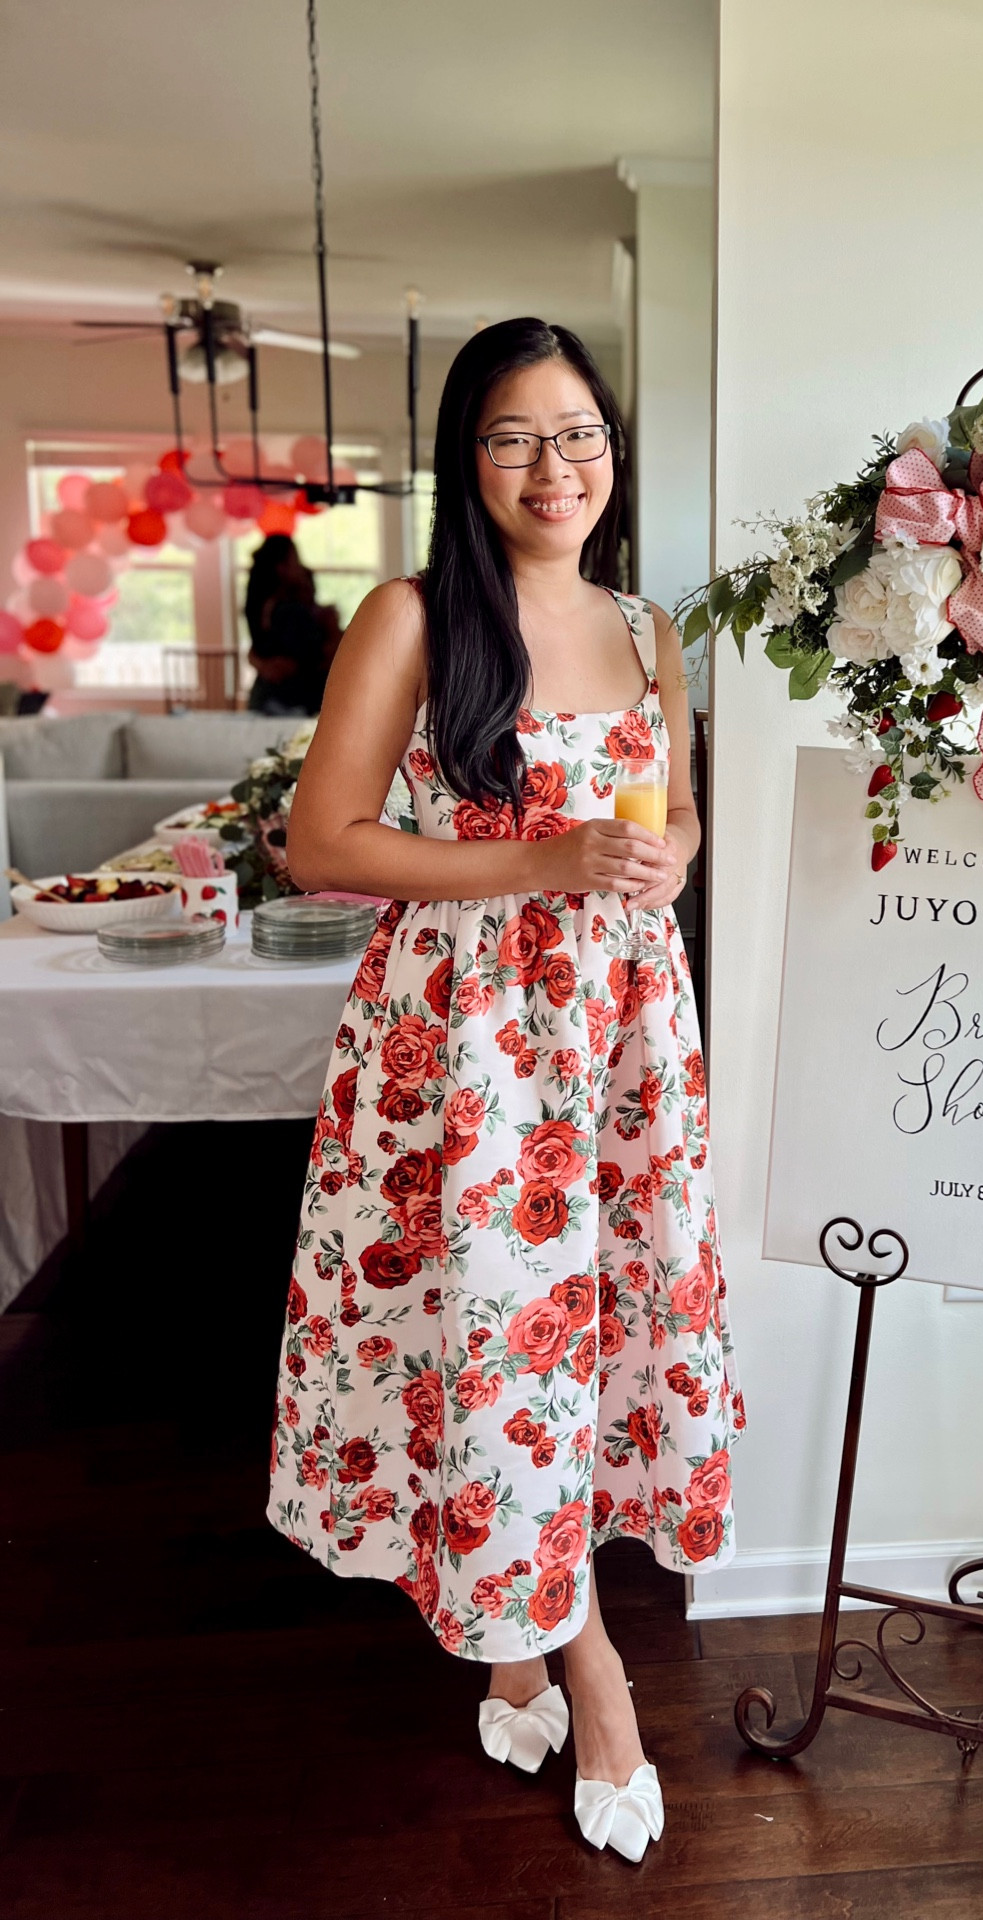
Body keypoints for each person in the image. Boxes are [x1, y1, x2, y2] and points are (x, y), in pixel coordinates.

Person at [265, 318, 742, 1864]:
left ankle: (520, 1629)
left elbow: (668, 825)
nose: (559, 467)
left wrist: (668, 855)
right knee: (501, 1348)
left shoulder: (652, 628)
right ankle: (592, 1672)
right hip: (467, 1052)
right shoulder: (414, 616)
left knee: (597, 1340)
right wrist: (534, 860)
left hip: (619, 1040)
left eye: (582, 432)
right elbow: (323, 843)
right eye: (517, 437)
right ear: (465, 462)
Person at [244, 533, 340, 716]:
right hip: (291, 702)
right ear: (281, 568)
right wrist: (333, 629)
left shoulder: (263, 607)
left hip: (267, 698)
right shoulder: (289, 612)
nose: (301, 567)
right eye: (295, 560)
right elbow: (313, 657)